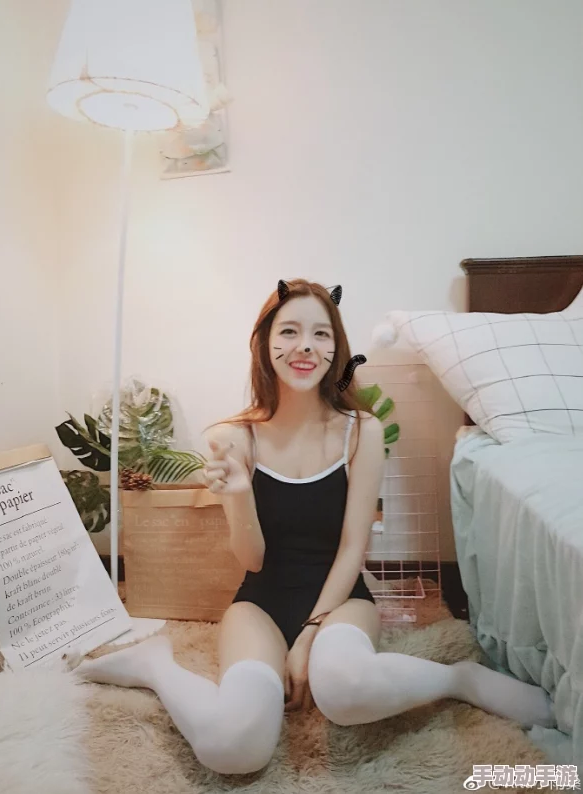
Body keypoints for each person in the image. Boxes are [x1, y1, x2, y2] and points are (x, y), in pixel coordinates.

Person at [74, 279, 556, 776]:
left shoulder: (361, 432)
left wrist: (308, 634)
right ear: (264, 343)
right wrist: (238, 495)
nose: (305, 346)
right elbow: (252, 560)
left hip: (342, 599)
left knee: (344, 691)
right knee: (234, 748)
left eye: (320, 334)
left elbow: (352, 548)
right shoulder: (234, 437)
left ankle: (460, 679)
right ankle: (154, 665)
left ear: (335, 349)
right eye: (289, 331)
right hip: (259, 603)